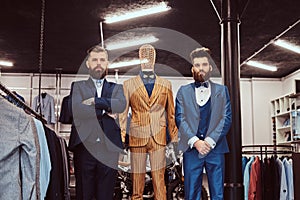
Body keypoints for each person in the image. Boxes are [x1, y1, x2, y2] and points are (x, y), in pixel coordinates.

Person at [119, 44, 178, 200]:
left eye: (151, 54)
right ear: (139, 57)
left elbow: (171, 113)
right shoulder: (128, 84)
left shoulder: (166, 84)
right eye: (144, 54)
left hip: (159, 137)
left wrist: (175, 137)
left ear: (155, 58)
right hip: (137, 136)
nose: (148, 57)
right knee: (137, 181)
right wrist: (122, 136)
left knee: (160, 181)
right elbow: (123, 113)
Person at [68, 45, 126, 199]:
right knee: (84, 194)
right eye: (95, 60)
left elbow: (121, 105)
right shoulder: (77, 86)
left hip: (109, 148)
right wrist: (105, 110)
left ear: (107, 64)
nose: (98, 63)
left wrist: (95, 101)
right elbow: (77, 109)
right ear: (88, 64)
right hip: (84, 147)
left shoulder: (117, 88)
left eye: (102, 60)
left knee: (106, 194)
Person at [175, 47, 232, 200]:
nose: (201, 68)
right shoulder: (183, 91)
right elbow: (180, 118)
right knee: (191, 193)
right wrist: (196, 142)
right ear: (192, 68)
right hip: (192, 150)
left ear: (210, 67)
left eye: (204, 64)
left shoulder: (222, 90)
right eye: (197, 65)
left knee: (218, 194)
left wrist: (209, 141)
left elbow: (226, 118)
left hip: (216, 148)